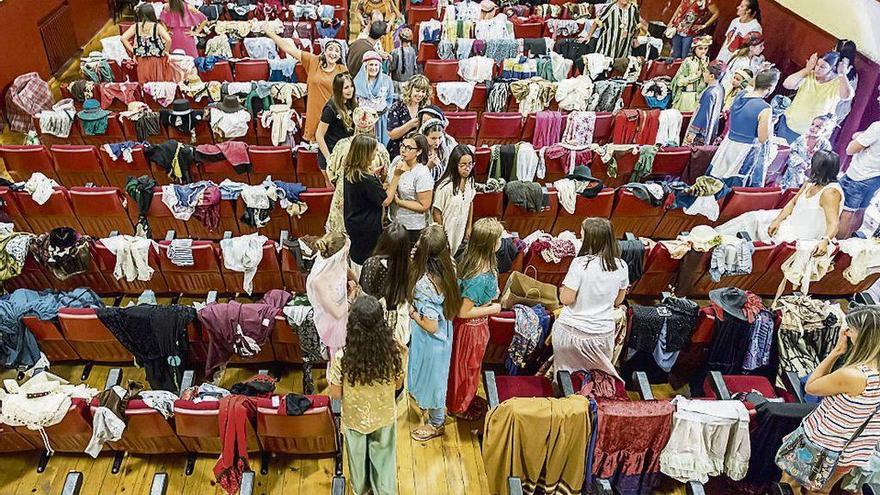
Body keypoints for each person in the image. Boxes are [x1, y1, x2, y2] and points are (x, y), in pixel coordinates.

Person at [776, 306, 880, 495]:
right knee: (822, 490)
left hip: (821, 441)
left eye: (850, 329)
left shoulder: (854, 375)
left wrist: (837, 351)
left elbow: (811, 386)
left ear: (865, 337)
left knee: (790, 483)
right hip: (856, 448)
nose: (846, 332)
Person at [328, 294, 404, 495]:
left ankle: (361, 490)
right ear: (381, 323)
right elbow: (398, 384)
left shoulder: (342, 357)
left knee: (357, 462)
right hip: (384, 415)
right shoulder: (392, 351)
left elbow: (335, 394)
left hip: (355, 419)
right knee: (384, 460)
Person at [716, 150, 843, 254]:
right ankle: (714, 236)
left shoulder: (831, 193)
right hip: (791, 221)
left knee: (757, 233)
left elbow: (833, 223)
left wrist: (825, 241)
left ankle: (718, 244)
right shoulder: (810, 182)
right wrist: (778, 220)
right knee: (752, 217)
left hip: (802, 234)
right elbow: (793, 203)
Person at [552, 218, 629, 379]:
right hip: (602, 335)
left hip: (571, 333)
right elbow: (618, 301)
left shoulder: (579, 264)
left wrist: (562, 290)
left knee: (566, 379)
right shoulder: (622, 266)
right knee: (594, 381)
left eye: (582, 236)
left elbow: (566, 299)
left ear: (590, 240)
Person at [407, 225, 463, 441]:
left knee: (434, 382)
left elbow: (430, 325)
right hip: (444, 334)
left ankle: (437, 424)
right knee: (435, 378)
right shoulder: (451, 266)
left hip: (431, 339)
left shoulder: (424, 286)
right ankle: (433, 413)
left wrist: (413, 314)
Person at [446, 218, 503, 421]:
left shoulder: (470, 259)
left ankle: (461, 400)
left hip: (469, 328)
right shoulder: (480, 277)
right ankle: (459, 406)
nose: (501, 242)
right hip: (471, 329)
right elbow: (463, 312)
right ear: (490, 244)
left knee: (464, 367)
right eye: (499, 239)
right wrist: (492, 308)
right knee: (467, 368)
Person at [266, 32, 347, 142]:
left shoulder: (342, 70)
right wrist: (269, 32)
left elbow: (347, 95)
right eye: (330, 49)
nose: (333, 53)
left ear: (340, 55)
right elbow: (287, 48)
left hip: (333, 117)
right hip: (314, 116)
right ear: (324, 51)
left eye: (337, 51)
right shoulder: (313, 61)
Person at [326, 107, 392, 236]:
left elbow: (331, 174)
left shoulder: (341, 145)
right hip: (368, 207)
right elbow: (385, 177)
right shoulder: (380, 149)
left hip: (343, 199)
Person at [707, 68, 779, 186]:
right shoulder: (765, 108)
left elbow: (750, 84)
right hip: (743, 151)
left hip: (727, 144)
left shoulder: (741, 94)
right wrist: (771, 124)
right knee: (730, 182)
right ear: (771, 88)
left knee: (716, 175)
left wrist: (759, 73)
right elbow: (763, 138)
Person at [343, 134, 402, 269]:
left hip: (354, 222)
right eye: (374, 150)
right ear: (366, 153)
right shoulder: (366, 179)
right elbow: (386, 200)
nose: (376, 153)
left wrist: (375, 176)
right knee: (366, 262)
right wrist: (397, 176)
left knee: (357, 257)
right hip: (367, 228)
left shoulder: (350, 170)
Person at [776, 52, 854, 144]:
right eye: (817, 65)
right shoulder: (809, 74)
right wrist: (807, 69)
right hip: (790, 125)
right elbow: (787, 84)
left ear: (833, 68)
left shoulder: (837, 82)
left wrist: (842, 74)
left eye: (822, 67)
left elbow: (846, 96)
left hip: (812, 133)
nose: (817, 69)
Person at [359, 222, 412, 351]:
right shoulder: (410, 267)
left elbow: (364, 297)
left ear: (383, 241)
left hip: (374, 323)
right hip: (399, 326)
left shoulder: (371, 264)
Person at [306, 232, 358, 361]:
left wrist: (353, 283)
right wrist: (352, 295)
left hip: (347, 312)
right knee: (339, 357)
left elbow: (354, 279)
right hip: (333, 324)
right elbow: (337, 313)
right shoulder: (318, 281)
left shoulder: (339, 262)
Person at [838, 116, 880, 238]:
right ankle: (849, 241)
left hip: (859, 175)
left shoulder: (877, 126)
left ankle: (836, 245)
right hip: (876, 177)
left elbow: (850, 150)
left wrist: (858, 138)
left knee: (846, 212)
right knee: (861, 209)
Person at [432, 145, 477, 257]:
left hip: (459, 229)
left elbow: (470, 202)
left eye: (470, 164)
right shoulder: (445, 186)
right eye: (462, 165)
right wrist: (442, 237)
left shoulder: (470, 181)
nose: (467, 168)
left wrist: (469, 227)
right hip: (446, 230)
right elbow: (436, 212)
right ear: (454, 164)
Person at [388, 134, 433, 243]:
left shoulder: (422, 173)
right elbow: (389, 181)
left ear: (418, 151)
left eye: (408, 148)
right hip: (394, 221)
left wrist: (399, 202)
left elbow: (424, 205)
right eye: (402, 146)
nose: (403, 150)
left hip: (412, 227)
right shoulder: (397, 161)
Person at [316, 73, 357, 187]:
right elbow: (319, 135)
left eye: (351, 86)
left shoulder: (352, 104)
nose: (350, 90)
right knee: (334, 192)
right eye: (346, 88)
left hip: (346, 154)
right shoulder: (330, 108)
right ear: (338, 89)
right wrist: (329, 159)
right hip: (331, 153)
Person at [777, 114, 835, 189]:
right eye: (812, 124)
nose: (813, 128)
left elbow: (825, 161)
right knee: (786, 190)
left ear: (825, 131)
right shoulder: (802, 139)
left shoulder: (825, 145)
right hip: (792, 173)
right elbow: (791, 152)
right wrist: (800, 162)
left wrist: (813, 164)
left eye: (818, 127)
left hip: (810, 177)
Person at [121, 4, 172, 83]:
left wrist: (134, 51)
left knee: (145, 83)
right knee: (158, 83)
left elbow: (123, 38)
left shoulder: (136, 26)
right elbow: (168, 40)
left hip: (142, 58)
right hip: (157, 59)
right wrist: (166, 51)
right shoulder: (157, 26)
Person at [354, 51, 395, 145]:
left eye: (376, 65)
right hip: (364, 121)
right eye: (371, 65)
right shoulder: (357, 81)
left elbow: (389, 98)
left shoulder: (387, 80)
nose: (374, 68)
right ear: (365, 66)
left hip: (382, 119)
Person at [386, 75, 431, 158]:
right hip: (398, 151)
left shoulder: (426, 108)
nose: (420, 94)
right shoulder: (397, 107)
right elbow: (392, 134)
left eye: (423, 91)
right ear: (410, 90)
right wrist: (410, 125)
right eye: (417, 91)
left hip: (418, 152)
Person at [684, 60, 726, 145]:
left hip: (702, 131)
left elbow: (703, 114)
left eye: (705, 72)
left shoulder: (709, 93)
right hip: (712, 126)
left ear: (711, 76)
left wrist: (693, 133)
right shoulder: (721, 88)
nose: (703, 74)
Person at [670, 36, 712, 112]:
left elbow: (707, 81)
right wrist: (695, 76)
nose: (703, 51)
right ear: (694, 49)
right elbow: (679, 81)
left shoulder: (706, 61)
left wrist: (705, 67)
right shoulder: (688, 61)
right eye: (700, 48)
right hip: (687, 96)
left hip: (699, 97)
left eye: (706, 48)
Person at [389, 27, 418, 92]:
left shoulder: (395, 52)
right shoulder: (412, 51)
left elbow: (392, 67)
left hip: (396, 83)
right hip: (409, 82)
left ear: (399, 38)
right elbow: (415, 67)